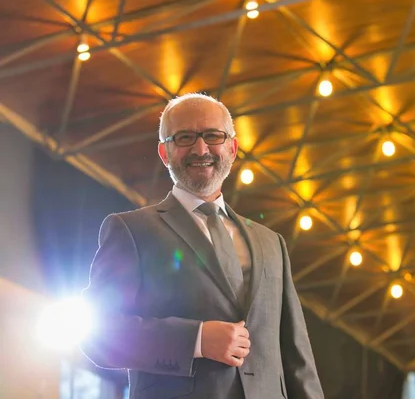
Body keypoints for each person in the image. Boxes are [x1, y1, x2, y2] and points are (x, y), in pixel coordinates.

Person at [81, 93, 324, 399]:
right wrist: (195, 339)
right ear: (164, 152)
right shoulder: (132, 230)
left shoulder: (271, 242)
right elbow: (99, 335)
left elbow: (297, 359)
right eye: (184, 137)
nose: (200, 148)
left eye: (213, 136)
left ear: (232, 147)